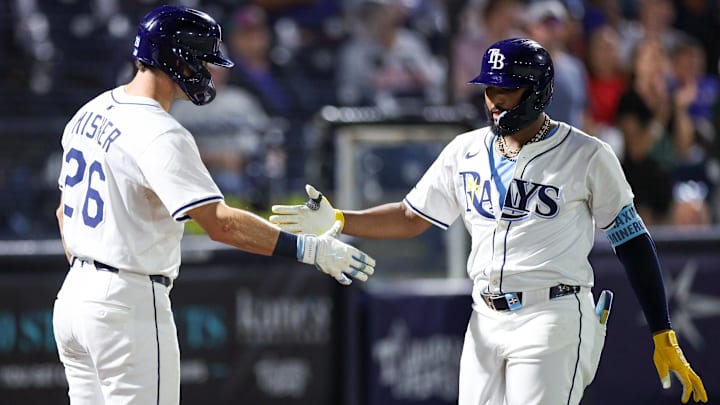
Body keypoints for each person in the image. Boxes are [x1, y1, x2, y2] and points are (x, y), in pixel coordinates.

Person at [270, 38, 708, 404]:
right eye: (489, 87)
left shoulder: (587, 154)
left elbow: (632, 240)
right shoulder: (465, 150)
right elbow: (410, 216)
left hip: (551, 313)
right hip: (484, 317)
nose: (494, 97)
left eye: (508, 87)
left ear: (538, 90)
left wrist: (662, 331)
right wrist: (342, 219)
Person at [51, 6, 375, 405]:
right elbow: (220, 224)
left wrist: (91, 272)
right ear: (176, 57)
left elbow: (63, 211)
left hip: (73, 298)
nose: (206, 69)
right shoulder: (160, 132)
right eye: (202, 59)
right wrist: (309, 248)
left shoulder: (90, 111)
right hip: (125, 302)